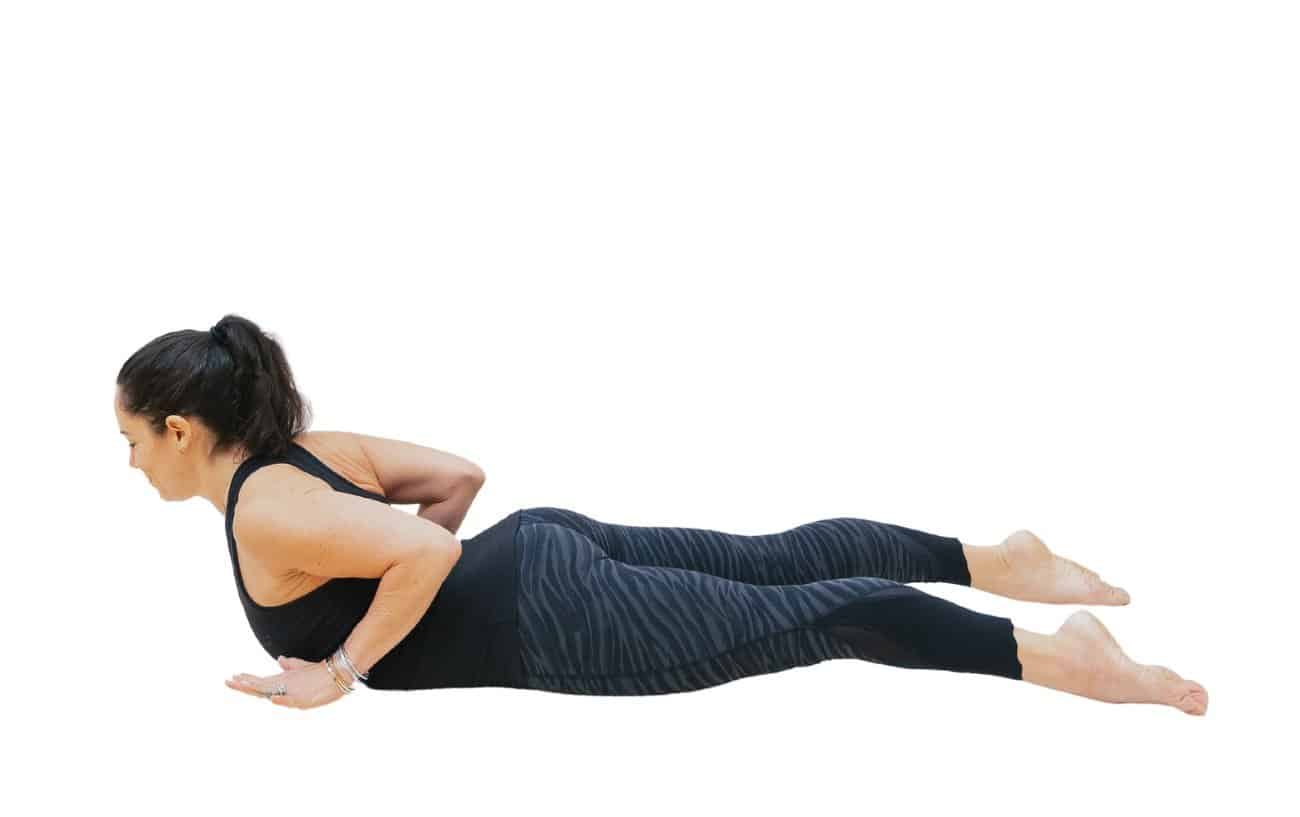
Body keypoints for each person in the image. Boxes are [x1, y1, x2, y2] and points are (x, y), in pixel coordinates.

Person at [114, 314, 1209, 715]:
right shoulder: (312, 452)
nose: (127, 463)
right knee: (780, 562)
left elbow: (414, 549)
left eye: (128, 438)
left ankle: (1077, 663)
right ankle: (999, 558)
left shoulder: (265, 512)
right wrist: (451, 573)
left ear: (178, 428)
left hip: (555, 613)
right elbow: (457, 480)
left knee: (825, 615)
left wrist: (339, 670)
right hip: (546, 545)